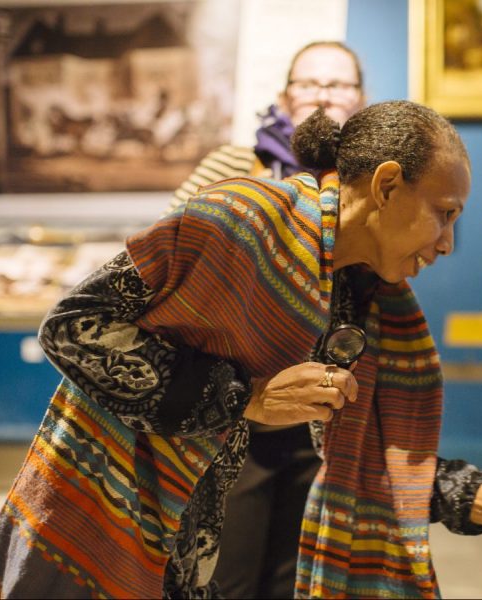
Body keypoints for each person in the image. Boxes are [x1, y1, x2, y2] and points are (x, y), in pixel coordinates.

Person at [0, 100, 482, 599]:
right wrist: (248, 396)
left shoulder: (352, 296)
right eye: (443, 215)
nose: (446, 244)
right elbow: (75, 325)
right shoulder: (238, 217)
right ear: (388, 184)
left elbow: (374, 460)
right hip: (91, 534)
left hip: (182, 564)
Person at [167, 40, 366, 599]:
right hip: (237, 406)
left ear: (361, 97)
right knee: (224, 574)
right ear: (285, 94)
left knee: (296, 578)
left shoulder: (370, 181)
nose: (324, 93)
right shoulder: (234, 163)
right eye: (309, 82)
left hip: (323, 413)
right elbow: (171, 253)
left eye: (339, 83)